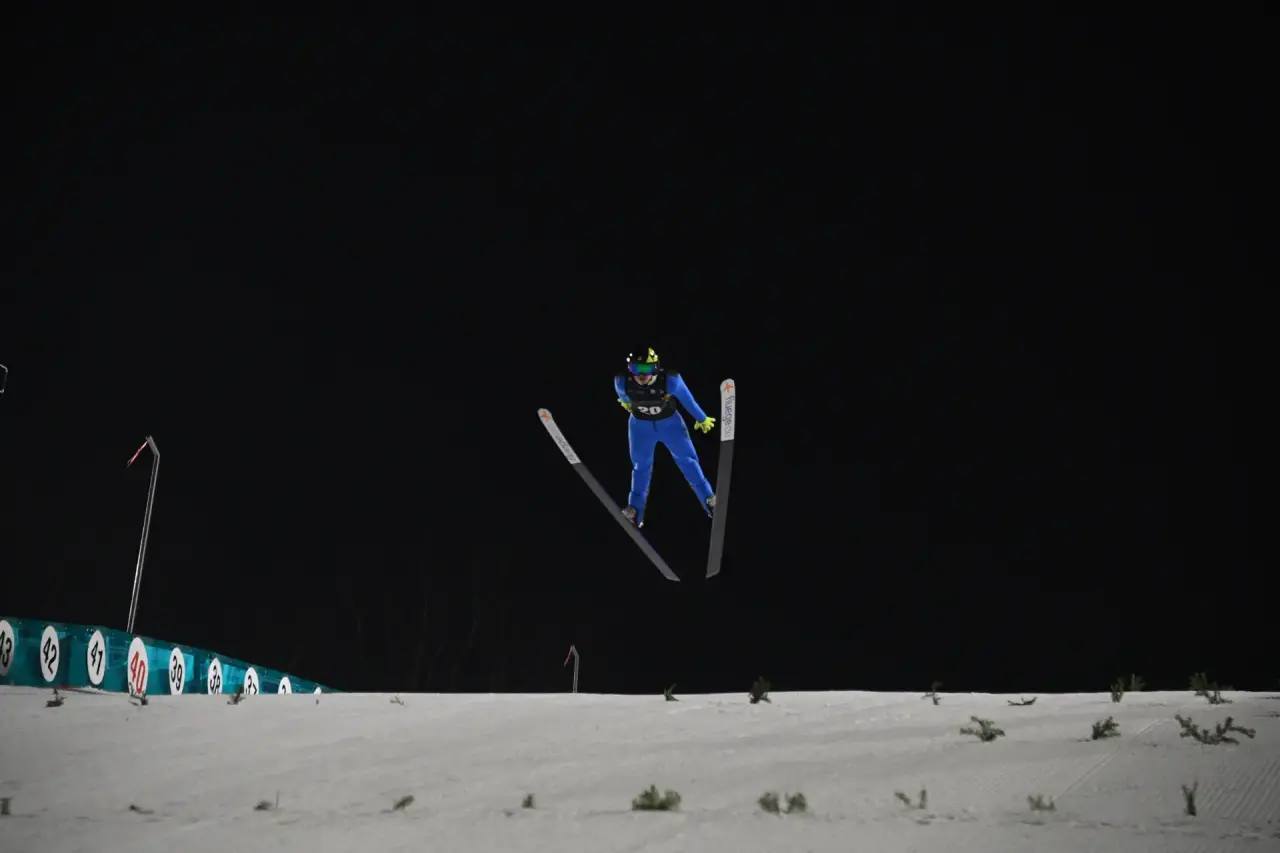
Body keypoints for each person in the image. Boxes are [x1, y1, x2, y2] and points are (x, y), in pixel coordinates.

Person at [613, 347, 716, 528]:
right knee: (640, 467)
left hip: (670, 424)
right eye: (636, 369)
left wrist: (701, 418)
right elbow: (624, 398)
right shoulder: (622, 382)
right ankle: (635, 510)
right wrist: (627, 405)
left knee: (688, 461)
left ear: (655, 367)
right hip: (640, 427)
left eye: (646, 369)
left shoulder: (670, 380)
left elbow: (687, 399)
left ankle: (709, 499)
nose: (641, 375)